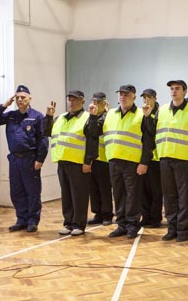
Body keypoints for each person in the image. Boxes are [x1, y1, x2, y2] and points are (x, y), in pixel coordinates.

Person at [87, 84, 156, 239]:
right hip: (113, 161)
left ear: (134, 96)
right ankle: (122, 225)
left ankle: (132, 225)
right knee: (118, 194)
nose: (123, 97)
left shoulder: (141, 114)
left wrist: (144, 162)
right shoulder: (110, 114)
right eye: (121, 94)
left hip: (133, 162)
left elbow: (149, 140)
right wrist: (93, 116)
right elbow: (94, 132)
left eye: (126, 94)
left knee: (133, 195)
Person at [0, 85, 49, 232]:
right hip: (14, 159)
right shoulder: (11, 115)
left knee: (32, 191)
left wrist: (40, 159)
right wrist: (4, 105)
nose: (20, 100)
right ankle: (21, 219)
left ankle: (32, 221)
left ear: (30, 99)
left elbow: (43, 139)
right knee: (16, 191)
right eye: (17, 97)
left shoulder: (37, 116)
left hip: (30, 159)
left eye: (23, 97)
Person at [151, 80, 188, 242]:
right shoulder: (162, 110)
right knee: (169, 197)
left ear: (185, 91)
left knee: (184, 198)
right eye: (172, 89)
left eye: (177, 89)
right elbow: (153, 132)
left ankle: (183, 230)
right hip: (165, 159)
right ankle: (172, 228)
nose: (174, 91)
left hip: (184, 160)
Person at [46, 90, 92, 236]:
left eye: (75, 99)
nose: (71, 102)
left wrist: (88, 161)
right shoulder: (60, 118)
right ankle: (68, 223)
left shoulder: (87, 117)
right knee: (66, 195)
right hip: (62, 161)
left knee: (79, 195)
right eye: (69, 99)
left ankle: (79, 224)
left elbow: (92, 142)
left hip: (78, 163)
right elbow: (47, 132)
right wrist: (49, 116)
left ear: (82, 101)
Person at [85, 92, 114, 226]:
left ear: (104, 103)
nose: (95, 104)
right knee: (93, 188)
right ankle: (97, 213)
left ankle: (107, 214)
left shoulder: (107, 117)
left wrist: (94, 116)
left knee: (104, 188)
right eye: (93, 101)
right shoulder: (90, 116)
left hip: (104, 158)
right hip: (92, 158)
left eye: (98, 102)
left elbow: (95, 130)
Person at [140, 88, 163, 228]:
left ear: (155, 98)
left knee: (156, 191)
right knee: (144, 190)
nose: (146, 100)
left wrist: (148, 117)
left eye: (149, 97)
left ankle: (155, 218)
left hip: (156, 158)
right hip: (143, 157)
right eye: (144, 98)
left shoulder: (160, 113)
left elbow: (152, 132)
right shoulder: (141, 113)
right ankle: (146, 216)